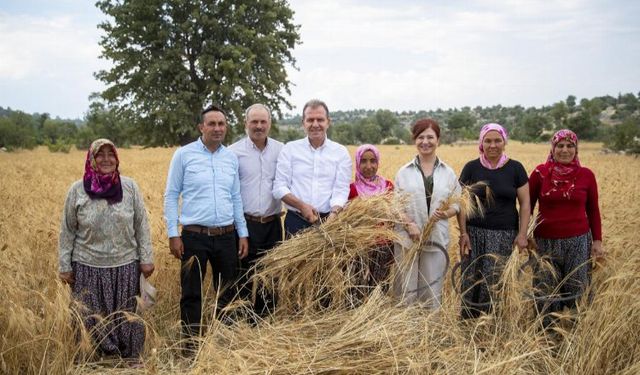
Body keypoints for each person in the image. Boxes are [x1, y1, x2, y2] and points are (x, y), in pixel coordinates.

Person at [58, 138, 154, 364]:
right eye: (100, 155)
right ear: (91, 158)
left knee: (126, 316)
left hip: (125, 265)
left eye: (111, 154)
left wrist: (147, 258)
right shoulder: (77, 190)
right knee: (89, 316)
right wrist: (64, 266)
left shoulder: (129, 187)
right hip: (87, 266)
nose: (106, 159)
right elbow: (67, 230)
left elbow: (142, 224)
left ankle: (128, 359)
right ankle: (94, 359)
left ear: (117, 158)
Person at [164, 105, 249, 340]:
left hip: (226, 235)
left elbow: (235, 197)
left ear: (226, 127)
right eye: (211, 124)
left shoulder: (231, 158)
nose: (217, 128)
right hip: (194, 236)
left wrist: (242, 233)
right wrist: (173, 233)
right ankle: (191, 345)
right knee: (192, 293)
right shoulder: (184, 155)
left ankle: (223, 342)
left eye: (221, 124)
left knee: (228, 291)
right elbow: (171, 194)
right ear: (201, 127)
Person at [529, 129, 604, 326]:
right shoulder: (540, 173)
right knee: (545, 291)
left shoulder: (586, 175)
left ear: (576, 148)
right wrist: (524, 234)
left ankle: (574, 335)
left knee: (577, 290)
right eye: (560, 145)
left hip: (578, 242)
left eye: (570, 145)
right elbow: (527, 207)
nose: (565, 150)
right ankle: (546, 337)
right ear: (552, 149)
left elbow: (593, 210)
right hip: (544, 243)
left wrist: (597, 240)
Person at [457, 123, 530, 318]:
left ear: (504, 142)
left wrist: (523, 234)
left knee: (496, 283)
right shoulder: (471, 168)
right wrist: (463, 233)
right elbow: (461, 203)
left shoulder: (516, 168)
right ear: (481, 142)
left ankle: (492, 327)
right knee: (471, 282)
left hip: (504, 236)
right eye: (487, 140)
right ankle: (468, 327)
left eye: (497, 140)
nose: (493, 145)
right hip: (474, 235)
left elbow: (525, 204)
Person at [394, 119, 461, 309]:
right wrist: (409, 225)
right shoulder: (403, 172)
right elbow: (396, 205)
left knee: (432, 288)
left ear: (438, 140)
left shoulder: (448, 173)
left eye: (430, 137)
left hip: (436, 237)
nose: (426, 141)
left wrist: (445, 213)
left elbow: (457, 203)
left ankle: (429, 331)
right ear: (414, 140)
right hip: (408, 237)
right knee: (407, 289)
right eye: (420, 137)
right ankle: (406, 330)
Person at [228, 103, 284, 316]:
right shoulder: (233, 153)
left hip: (273, 224)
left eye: (263, 122)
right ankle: (243, 322)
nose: (258, 126)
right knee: (243, 276)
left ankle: (266, 321)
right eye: (254, 122)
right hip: (245, 224)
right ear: (246, 124)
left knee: (270, 275)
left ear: (269, 124)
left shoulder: (282, 150)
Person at [273, 99, 352, 237]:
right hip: (296, 222)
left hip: (330, 221)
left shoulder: (340, 152)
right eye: (310, 120)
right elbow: (279, 187)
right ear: (303, 122)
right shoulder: (290, 149)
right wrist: (302, 206)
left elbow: (341, 190)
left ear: (328, 122)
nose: (315, 124)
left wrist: (333, 216)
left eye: (320, 119)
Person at [348, 144, 394, 288]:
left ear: (378, 162)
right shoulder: (351, 189)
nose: (369, 166)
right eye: (363, 161)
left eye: (373, 161)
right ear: (357, 163)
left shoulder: (388, 187)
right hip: (359, 247)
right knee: (357, 287)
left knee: (380, 288)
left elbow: (395, 213)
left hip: (384, 246)